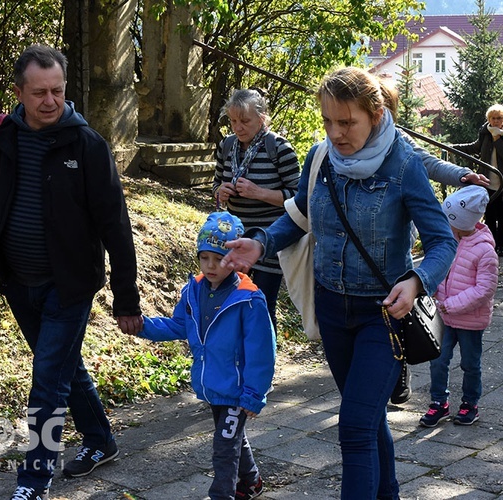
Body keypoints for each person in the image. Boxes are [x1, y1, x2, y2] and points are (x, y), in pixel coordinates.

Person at [221, 67, 457, 499]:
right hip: (331, 310)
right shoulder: (319, 158)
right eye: (328, 121)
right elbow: (298, 217)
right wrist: (260, 244)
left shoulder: (404, 165)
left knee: (353, 426)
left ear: (376, 113)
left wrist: (417, 281)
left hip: (382, 316)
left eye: (347, 122)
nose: (336, 132)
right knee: (367, 419)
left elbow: (443, 241)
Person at [0, 44, 143, 500]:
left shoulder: (86, 144)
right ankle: (101, 440)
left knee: (46, 381)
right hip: (16, 281)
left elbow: (116, 223)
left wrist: (127, 299)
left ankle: (33, 482)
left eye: (58, 91)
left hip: (68, 286)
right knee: (65, 368)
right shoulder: (2, 135)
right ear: (18, 93)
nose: (50, 101)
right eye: (39, 93)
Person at [133, 211, 276, 500]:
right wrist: (142, 326)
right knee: (232, 438)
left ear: (233, 258)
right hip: (212, 385)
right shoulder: (194, 290)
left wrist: (253, 394)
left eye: (219, 258)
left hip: (237, 389)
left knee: (224, 446)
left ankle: (222, 494)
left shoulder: (249, 299)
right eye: (204, 257)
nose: (210, 266)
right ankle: (252, 481)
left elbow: (262, 351)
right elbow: (177, 326)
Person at [379, 78, 490, 405]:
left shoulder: (398, 142)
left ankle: (399, 369)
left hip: (395, 243)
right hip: (360, 247)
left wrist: (462, 175)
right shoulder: (342, 146)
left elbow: (430, 164)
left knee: (399, 309)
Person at [212, 89, 300, 332]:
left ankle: (264, 360)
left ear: (262, 119)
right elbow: (216, 183)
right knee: (233, 300)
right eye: (233, 121)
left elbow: (299, 198)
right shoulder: (227, 146)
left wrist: (259, 192)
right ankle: (239, 357)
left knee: (261, 302)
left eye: (245, 121)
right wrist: (221, 191)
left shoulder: (279, 148)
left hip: (269, 239)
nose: (238, 127)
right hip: (233, 238)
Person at [419, 185, 498, 428]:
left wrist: (450, 305)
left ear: (465, 222)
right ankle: (438, 402)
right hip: (443, 316)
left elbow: (484, 289)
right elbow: (437, 270)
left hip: (469, 319)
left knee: (470, 363)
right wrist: (427, 288)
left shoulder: (485, 250)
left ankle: (470, 403)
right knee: (438, 360)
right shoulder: (446, 241)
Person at [453, 104, 503, 256]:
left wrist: (497, 139)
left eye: (500, 118)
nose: (496, 122)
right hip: (486, 181)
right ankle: (490, 245)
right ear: (489, 119)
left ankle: (501, 246)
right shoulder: (485, 132)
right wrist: (453, 147)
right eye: (493, 118)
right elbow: (475, 147)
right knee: (489, 215)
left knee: (502, 216)